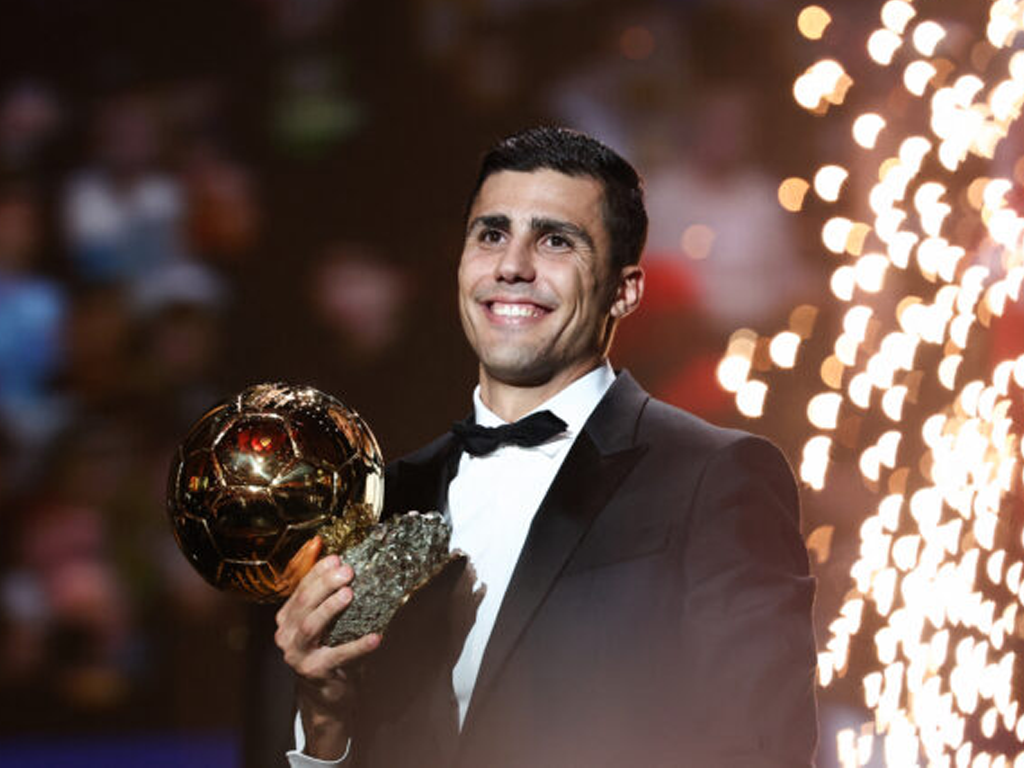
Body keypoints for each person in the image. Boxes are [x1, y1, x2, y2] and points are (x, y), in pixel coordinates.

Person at [274, 126, 817, 767]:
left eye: (556, 240)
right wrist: (326, 723)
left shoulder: (714, 477)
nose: (512, 265)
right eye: (492, 234)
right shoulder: (388, 497)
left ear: (625, 290)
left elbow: (762, 749)